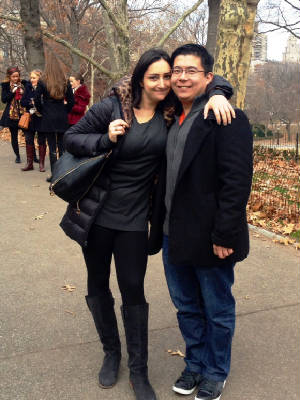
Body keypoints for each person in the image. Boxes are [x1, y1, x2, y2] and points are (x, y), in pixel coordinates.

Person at [59, 48, 234, 400]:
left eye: (167, 76)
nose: (163, 82)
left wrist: (218, 94)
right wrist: (104, 138)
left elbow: (212, 79)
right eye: (154, 77)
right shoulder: (111, 107)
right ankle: (112, 353)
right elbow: (71, 139)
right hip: (97, 215)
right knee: (97, 284)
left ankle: (139, 370)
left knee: (133, 290)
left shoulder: (171, 111)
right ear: (140, 78)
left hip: (136, 219)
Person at [149, 44, 253, 400]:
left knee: (217, 308)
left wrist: (225, 233)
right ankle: (195, 364)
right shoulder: (169, 115)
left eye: (191, 71)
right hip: (171, 235)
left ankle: (215, 371)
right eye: (176, 70)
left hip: (212, 237)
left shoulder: (226, 118)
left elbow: (236, 184)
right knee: (187, 307)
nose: (181, 77)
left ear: (209, 77)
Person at [33, 54, 74, 181]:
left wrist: (42, 111)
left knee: (52, 147)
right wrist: (64, 110)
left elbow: (36, 100)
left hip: (48, 116)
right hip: (61, 116)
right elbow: (72, 101)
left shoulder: (43, 81)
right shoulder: (65, 81)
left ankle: (54, 175)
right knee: (62, 147)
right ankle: (62, 174)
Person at [20, 69, 47, 172]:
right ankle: (29, 163)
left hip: (41, 117)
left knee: (41, 140)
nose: (31, 80)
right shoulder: (28, 87)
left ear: (39, 78)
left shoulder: (44, 87)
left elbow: (47, 102)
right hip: (30, 118)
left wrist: (38, 103)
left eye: (34, 78)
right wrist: (32, 102)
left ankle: (41, 164)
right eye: (31, 77)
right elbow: (23, 102)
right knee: (28, 139)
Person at [0, 66, 26, 163]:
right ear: (9, 76)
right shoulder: (6, 85)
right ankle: (17, 156)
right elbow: (4, 99)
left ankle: (33, 156)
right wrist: (12, 92)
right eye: (13, 77)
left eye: (17, 76)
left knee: (28, 135)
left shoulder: (24, 83)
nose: (16, 78)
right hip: (11, 114)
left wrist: (24, 93)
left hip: (23, 113)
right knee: (14, 135)